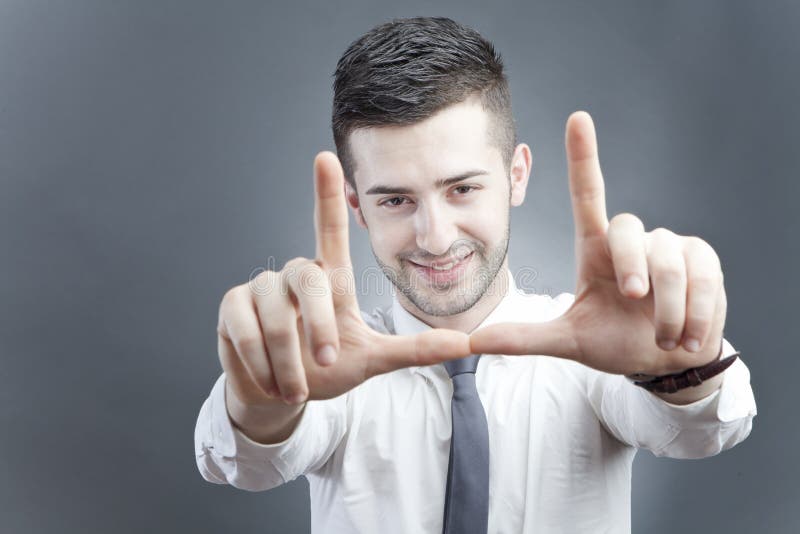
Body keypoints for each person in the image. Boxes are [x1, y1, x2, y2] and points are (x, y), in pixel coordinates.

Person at [194, 17, 756, 533]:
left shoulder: (598, 351)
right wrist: (267, 398)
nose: (434, 237)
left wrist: (679, 364)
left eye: (462, 188)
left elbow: (705, 431)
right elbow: (246, 461)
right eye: (394, 200)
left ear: (516, 176)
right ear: (356, 206)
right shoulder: (330, 359)